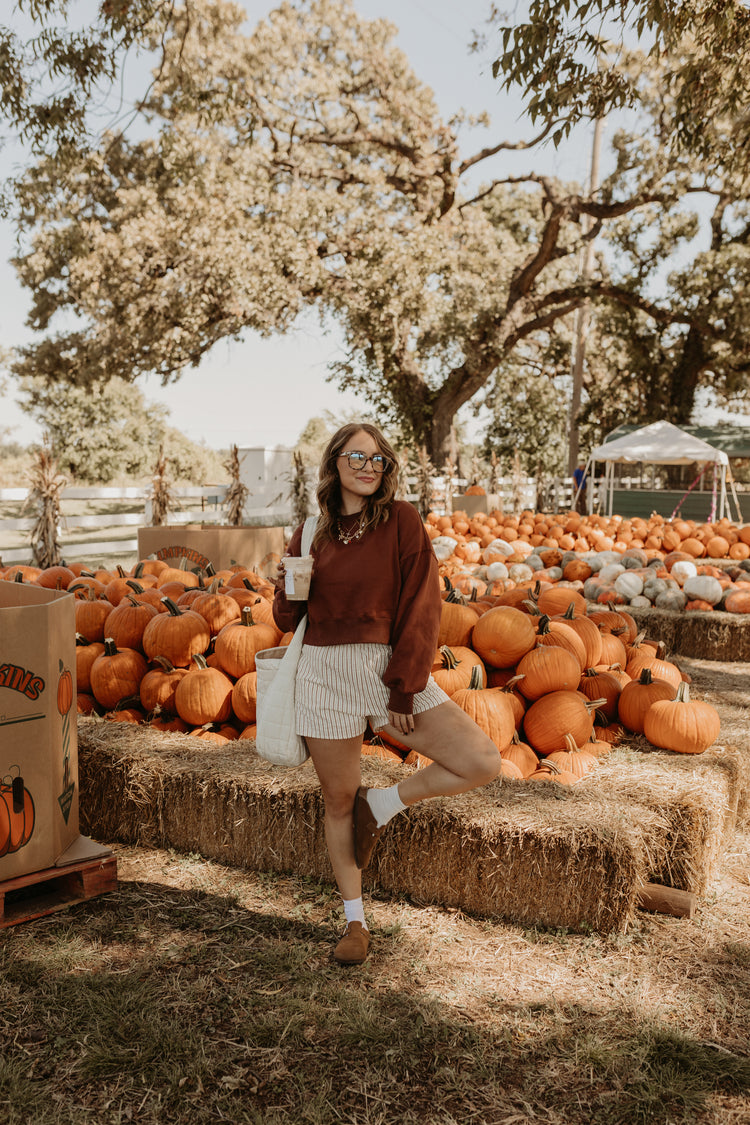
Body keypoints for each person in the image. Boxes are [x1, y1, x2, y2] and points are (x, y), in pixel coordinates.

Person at [272, 423, 502, 966]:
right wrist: (286, 581)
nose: (369, 466)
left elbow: (424, 604)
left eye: (378, 460)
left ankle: (385, 803)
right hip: (323, 674)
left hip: (385, 669)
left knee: (481, 760)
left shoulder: (401, 521)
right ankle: (355, 922)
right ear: (335, 463)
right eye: (358, 456)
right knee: (336, 802)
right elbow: (286, 618)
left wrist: (404, 685)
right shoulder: (310, 533)